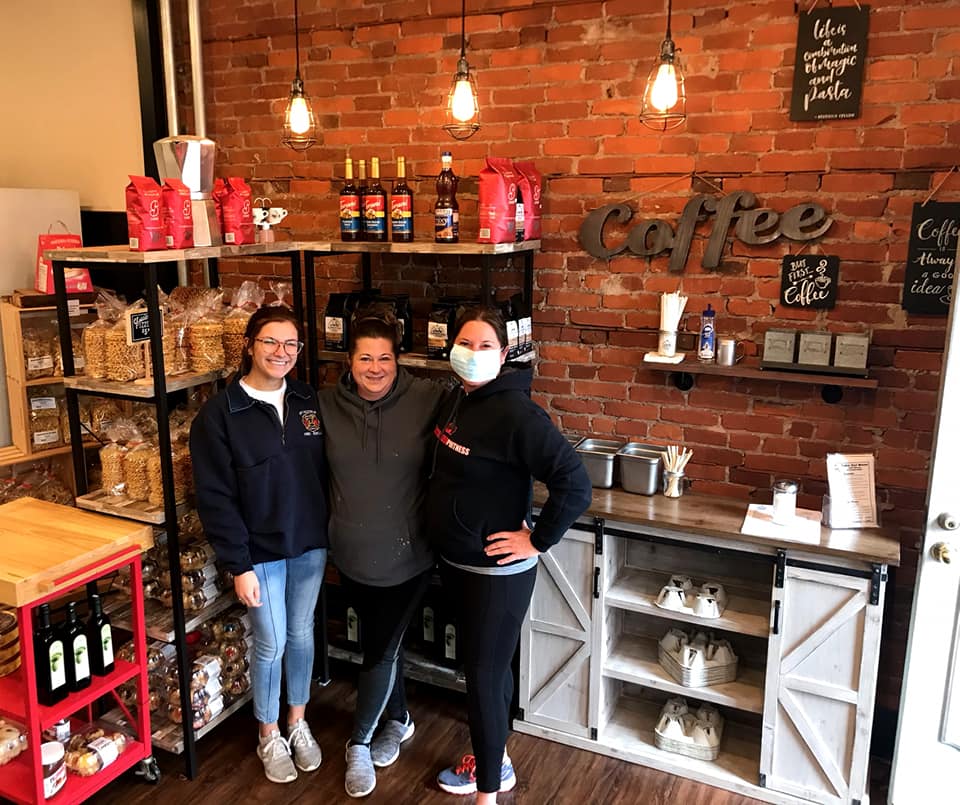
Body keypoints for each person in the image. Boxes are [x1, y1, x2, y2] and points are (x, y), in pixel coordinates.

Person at [427, 306, 592, 803]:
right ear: (451, 347)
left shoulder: (518, 414)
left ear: (502, 355)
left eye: (484, 346)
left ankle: (487, 794)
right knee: (490, 670)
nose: (472, 353)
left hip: (495, 575)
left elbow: (574, 484)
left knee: (482, 678)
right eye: (465, 343)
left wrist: (537, 541)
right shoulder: (457, 397)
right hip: (459, 564)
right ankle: (495, 761)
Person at [190, 305, 328, 784]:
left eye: (291, 344)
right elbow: (215, 496)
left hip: (309, 542)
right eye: (270, 341)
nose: (281, 352)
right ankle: (268, 732)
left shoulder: (308, 400)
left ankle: (297, 721)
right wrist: (238, 563)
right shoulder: (220, 414)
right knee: (270, 642)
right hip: (259, 551)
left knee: (302, 633)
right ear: (249, 345)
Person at [318, 313, 445, 798]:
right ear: (348, 361)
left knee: (380, 649)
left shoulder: (428, 398)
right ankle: (400, 718)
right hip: (350, 554)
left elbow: (482, 414)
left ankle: (359, 742)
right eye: (365, 358)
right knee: (381, 643)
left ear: (399, 359)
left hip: (408, 555)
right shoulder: (324, 405)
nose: (376, 368)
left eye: (385, 358)